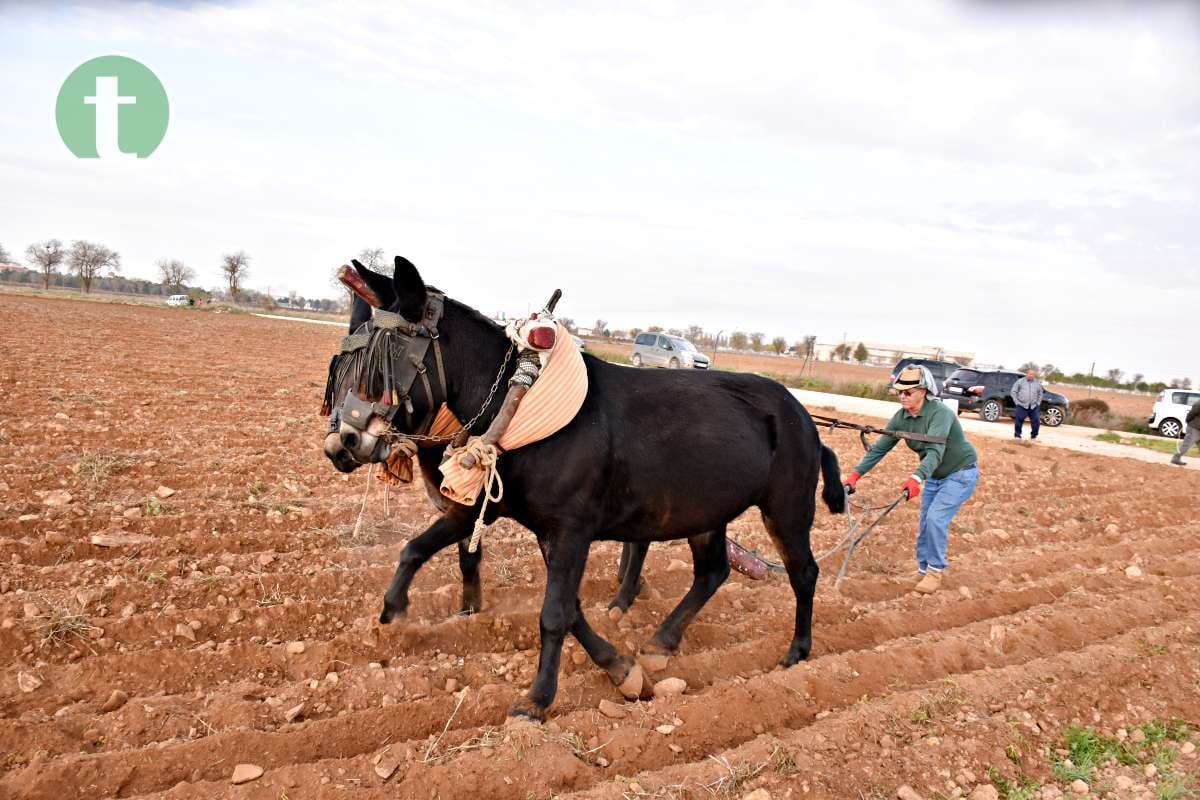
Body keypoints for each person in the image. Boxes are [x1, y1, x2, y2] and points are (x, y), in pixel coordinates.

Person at [843, 365, 979, 594]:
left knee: (936, 519)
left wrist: (915, 478)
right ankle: (923, 569)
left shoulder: (940, 413)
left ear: (924, 391)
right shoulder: (901, 417)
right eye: (899, 392)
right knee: (925, 522)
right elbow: (879, 450)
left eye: (908, 392)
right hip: (935, 476)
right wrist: (855, 476)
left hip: (960, 473)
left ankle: (935, 571)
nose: (902, 396)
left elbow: (935, 451)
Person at [1010, 369, 1044, 440]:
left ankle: (1033, 437)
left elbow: (1040, 393)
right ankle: (1017, 436)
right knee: (1019, 421)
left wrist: (1038, 403)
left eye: (1033, 374)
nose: (1031, 376)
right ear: (1027, 374)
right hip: (1021, 405)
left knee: (1036, 422)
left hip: (1034, 406)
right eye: (1030, 374)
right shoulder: (1020, 382)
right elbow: (1013, 392)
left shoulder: (1037, 383)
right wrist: (1016, 402)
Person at [1171, 396, 1200, 466]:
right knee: (1186, 444)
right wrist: (1188, 420)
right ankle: (1176, 458)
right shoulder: (1199, 403)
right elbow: (1192, 413)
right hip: (1194, 427)